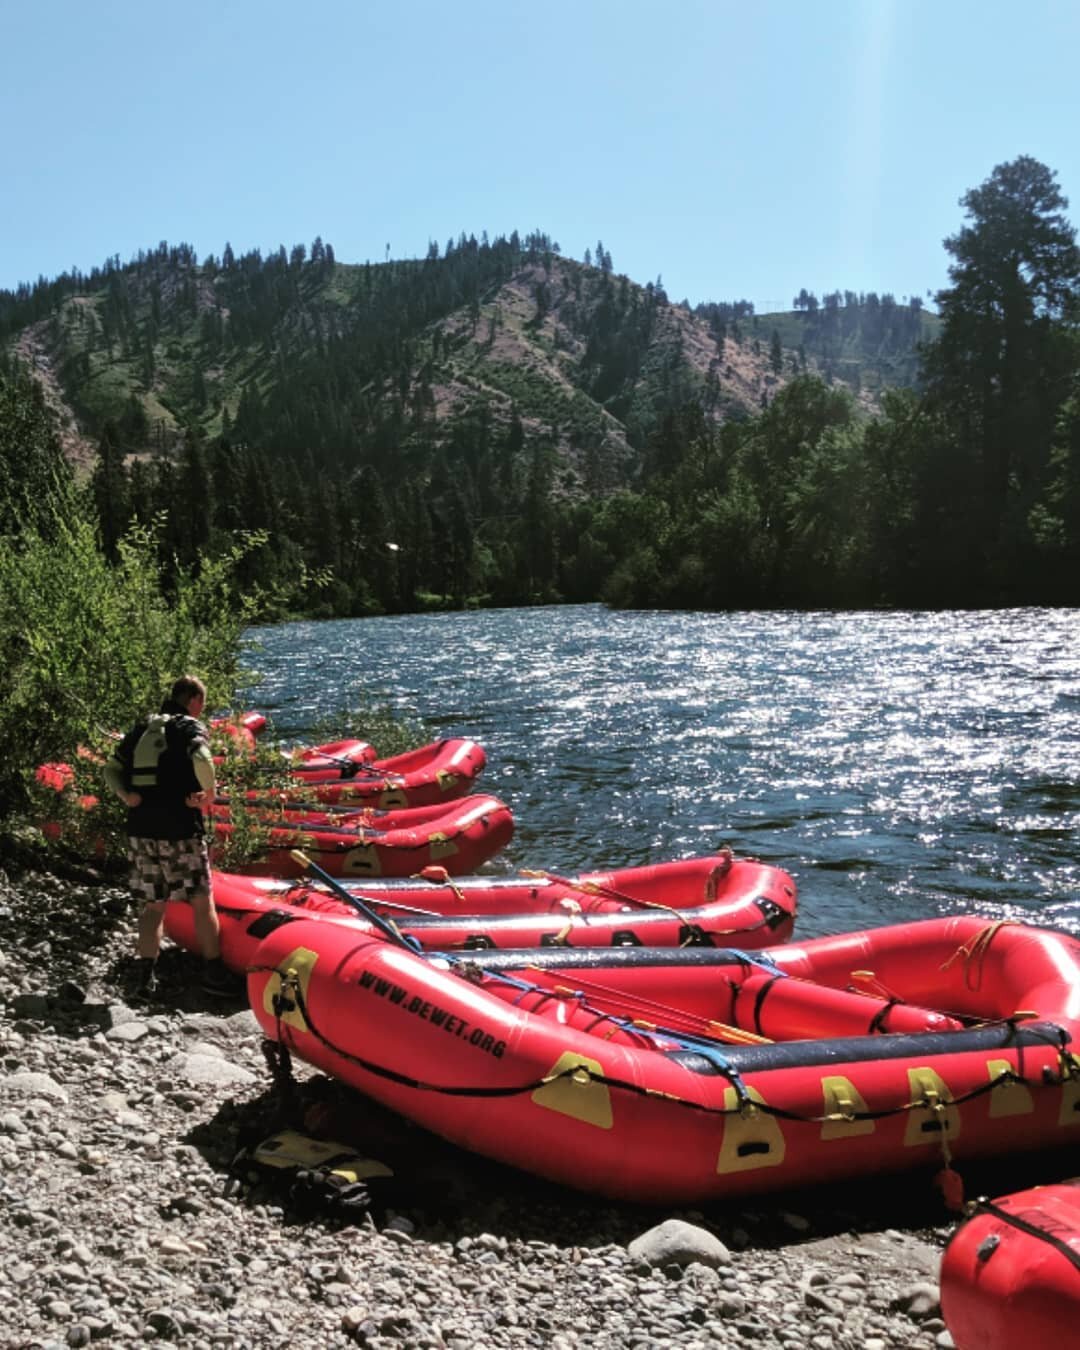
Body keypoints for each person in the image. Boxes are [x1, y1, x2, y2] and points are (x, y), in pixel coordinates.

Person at [104, 675, 238, 998]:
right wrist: (209, 793)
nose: (202, 710)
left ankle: (142, 976)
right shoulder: (189, 727)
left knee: (152, 906)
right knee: (201, 902)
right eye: (201, 703)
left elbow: (110, 769)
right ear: (192, 700)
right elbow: (203, 759)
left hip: (141, 831)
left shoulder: (142, 729)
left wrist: (126, 796)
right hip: (180, 831)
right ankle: (213, 973)